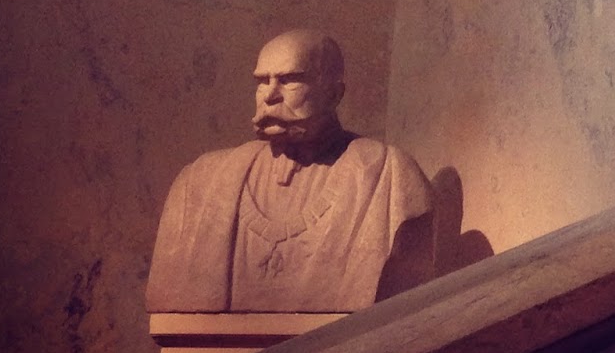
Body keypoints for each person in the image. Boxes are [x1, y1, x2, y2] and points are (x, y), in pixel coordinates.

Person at [146, 30, 434, 313]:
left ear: (334, 94)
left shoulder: (389, 177)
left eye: (290, 81)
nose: (270, 96)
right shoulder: (199, 184)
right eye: (262, 82)